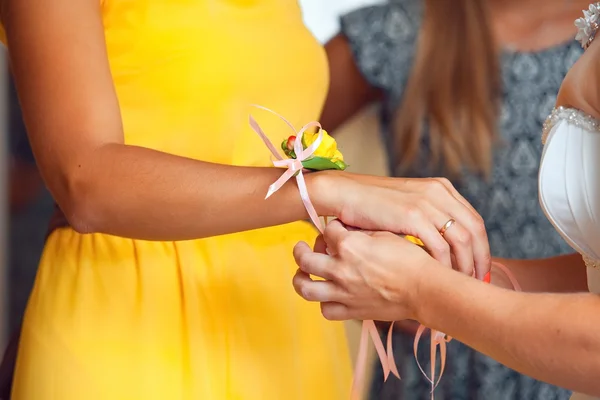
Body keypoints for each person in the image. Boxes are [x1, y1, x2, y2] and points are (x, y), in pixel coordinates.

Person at [0, 0, 492, 398]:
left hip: (283, 323)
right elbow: (84, 182)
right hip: (129, 313)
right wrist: (325, 190)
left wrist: (375, 247)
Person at [292, 3, 600, 399]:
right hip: (441, 364)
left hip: (559, 365)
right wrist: (358, 233)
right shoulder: (402, 29)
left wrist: (421, 289)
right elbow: (268, 149)